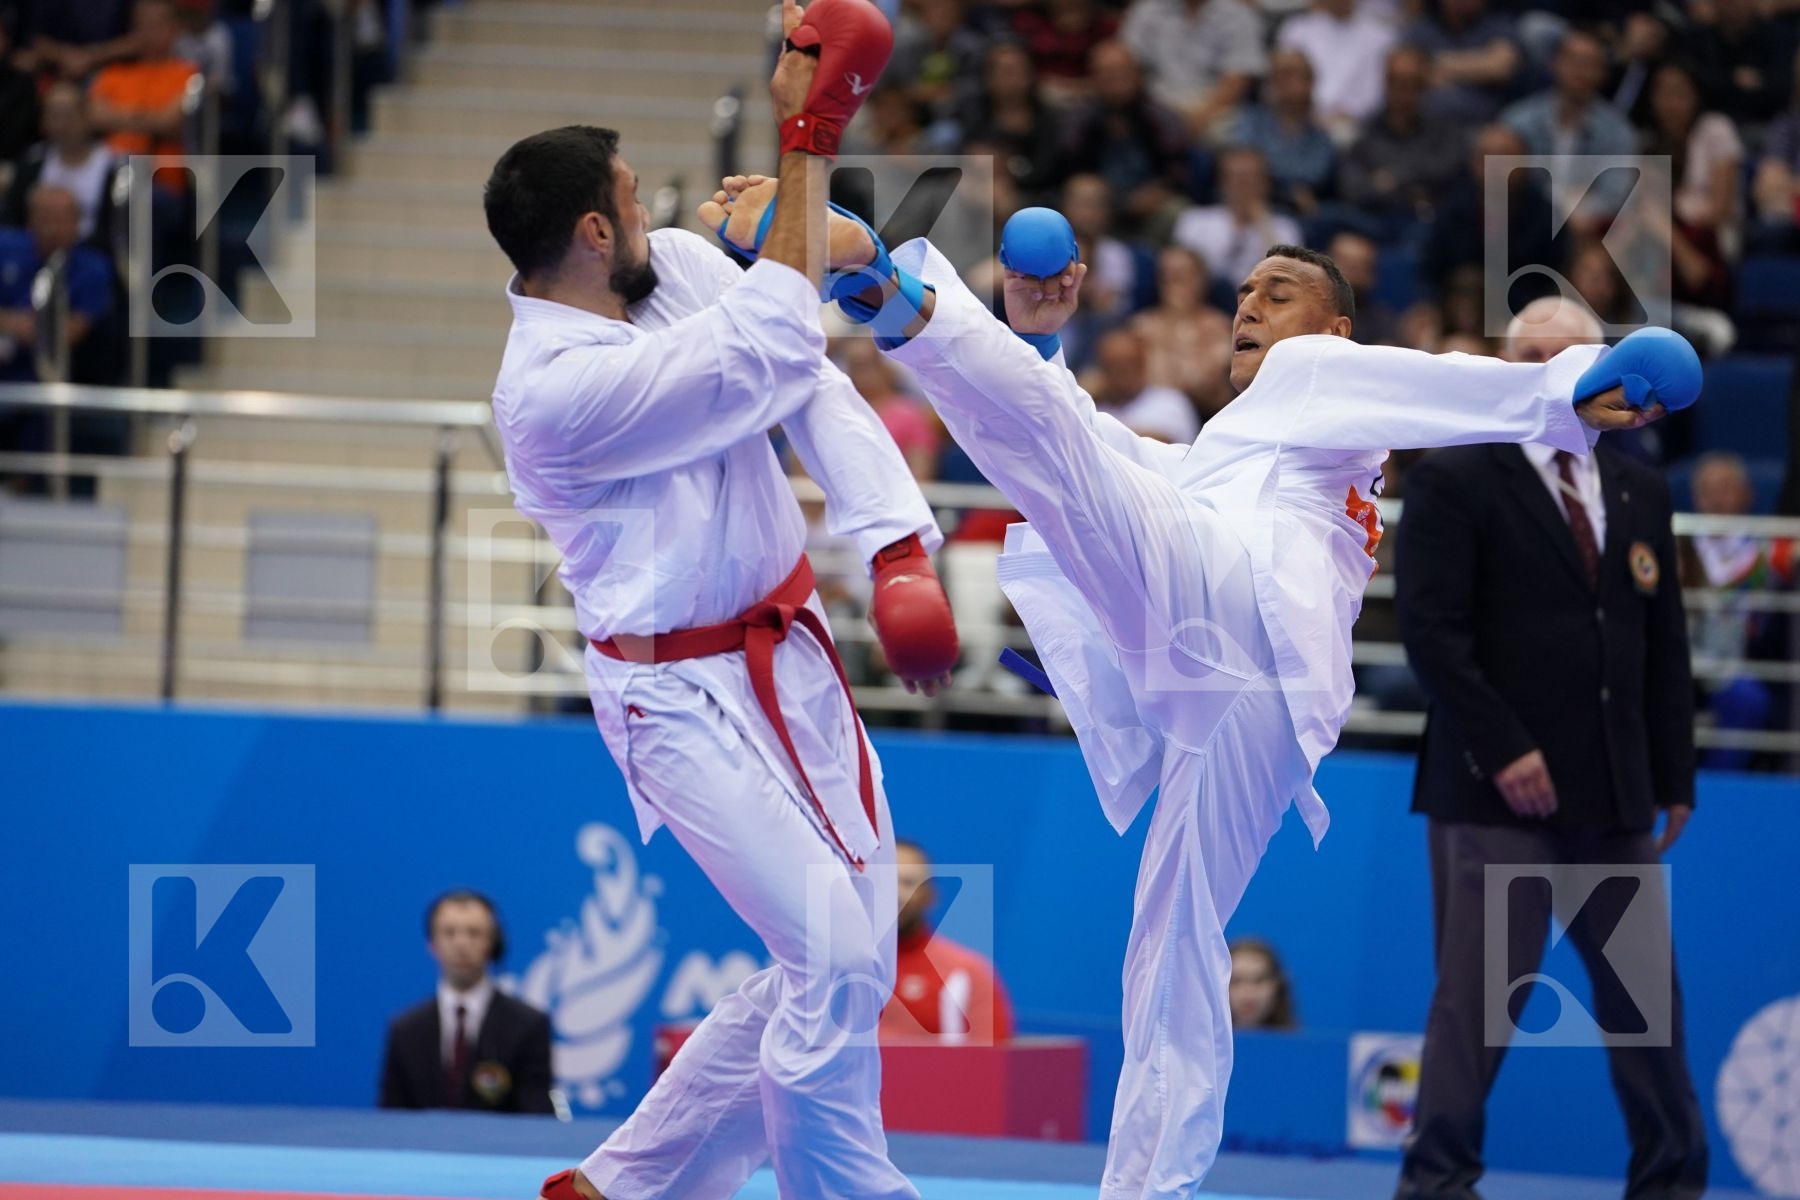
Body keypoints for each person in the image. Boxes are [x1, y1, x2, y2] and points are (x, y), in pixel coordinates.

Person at [707, 172, 1684, 1195]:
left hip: (1241, 629)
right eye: (1245, 293)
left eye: (1277, 291)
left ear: (1333, 327)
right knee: (1169, 953)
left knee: (1061, 455)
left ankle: (879, 283)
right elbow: (1099, 450)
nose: (1248, 305)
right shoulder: (1235, 445)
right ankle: (1151, 1189)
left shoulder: (1320, 375)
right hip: (1243, 692)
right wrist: (1039, 353)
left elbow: (1437, 379)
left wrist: (1566, 387)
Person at [487, 7, 951, 1198]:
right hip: (671, 692)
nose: (663, 217)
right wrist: (811, 130)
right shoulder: (552, 391)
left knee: (840, 957)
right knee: (838, 958)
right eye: (636, 202)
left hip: (787, 651)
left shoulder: (679, 274)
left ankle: (624, 1186)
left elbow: (809, 384)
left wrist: (896, 543)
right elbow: (771, 344)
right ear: (593, 231)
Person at [1393, 296, 1707, 1200]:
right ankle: (1436, 1185)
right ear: (1508, 365)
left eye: (1572, 357)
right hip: (1494, 795)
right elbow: (1430, 632)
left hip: (1613, 792)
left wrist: (1673, 772)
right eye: (1534, 356)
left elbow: (1661, 639)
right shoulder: (1457, 473)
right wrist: (1504, 750)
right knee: (1479, 1005)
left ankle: (1672, 1184)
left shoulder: (1639, 484)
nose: (1555, 373)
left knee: (1649, 1007)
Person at [378, 890, 554, 1113]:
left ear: (493, 944)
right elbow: (391, 1118)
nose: (461, 944)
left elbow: (536, 1117)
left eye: (474, 933)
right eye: (449, 933)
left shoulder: (528, 1025)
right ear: (432, 944)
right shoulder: (405, 1030)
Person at [1681, 451, 1795, 772]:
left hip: (1731, 665)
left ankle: (1718, 782)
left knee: (1748, 699)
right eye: (1707, 490)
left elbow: (1792, 555)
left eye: (1725, 488)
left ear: (1747, 494)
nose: (1715, 499)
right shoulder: (1677, 542)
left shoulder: (1761, 548)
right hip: (1679, 658)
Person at [879, 839, 1016, 1042]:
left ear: (929, 897)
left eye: (907, 883)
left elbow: (991, 1063)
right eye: (885, 881)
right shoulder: (833, 966)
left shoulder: (968, 972)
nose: (896, 894)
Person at [1172, 146, 1302, 292]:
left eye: (1251, 179)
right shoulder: (1195, 220)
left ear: (1266, 183)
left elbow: (1287, 277)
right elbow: (1184, 274)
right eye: (1237, 178)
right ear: (1222, 183)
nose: (1244, 187)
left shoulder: (1285, 227)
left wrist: (1262, 222)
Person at [2, 82, 118, 244]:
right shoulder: (31, 163)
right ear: (44, 121)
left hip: (92, 254)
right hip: (36, 252)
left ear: (86, 116)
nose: (62, 124)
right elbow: (13, 218)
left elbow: (118, 232)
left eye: (68, 115)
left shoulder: (113, 168)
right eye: (54, 116)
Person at [1274, 0, 1396, 143]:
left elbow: (1379, 89)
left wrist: (1352, 113)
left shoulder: (1381, 36)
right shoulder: (1297, 29)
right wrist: (1314, 113)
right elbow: (1283, 81)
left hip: (1360, 126)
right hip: (1302, 121)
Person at [1082, 326, 1200, 443]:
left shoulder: (1170, 401)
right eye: (1112, 367)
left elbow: (1157, 444)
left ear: (1142, 364)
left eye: (1128, 365)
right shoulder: (1095, 407)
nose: (1121, 375)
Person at [1227, 937, 1295, 1030]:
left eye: (1259, 980)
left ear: (1277, 986)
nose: (1248, 992)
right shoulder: (1204, 1043)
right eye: (1236, 981)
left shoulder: (1298, 1043)